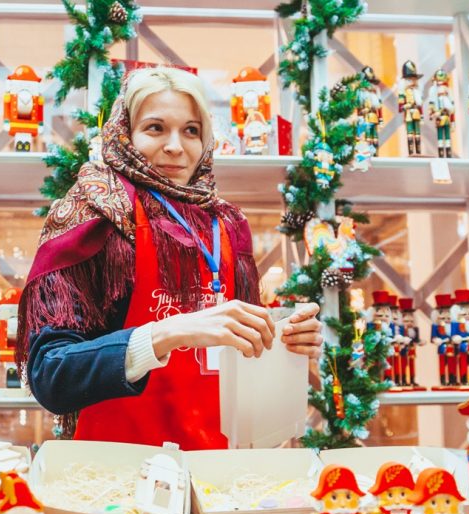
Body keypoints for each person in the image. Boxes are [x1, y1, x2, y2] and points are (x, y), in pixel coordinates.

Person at [18, 67, 322, 450]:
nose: (176, 146)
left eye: (191, 130)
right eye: (156, 128)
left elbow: (241, 359)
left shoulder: (227, 223)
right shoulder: (93, 213)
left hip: (217, 472)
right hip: (117, 477)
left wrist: (283, 343)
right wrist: (169, 333)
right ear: (124, 134)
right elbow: (52, 375)